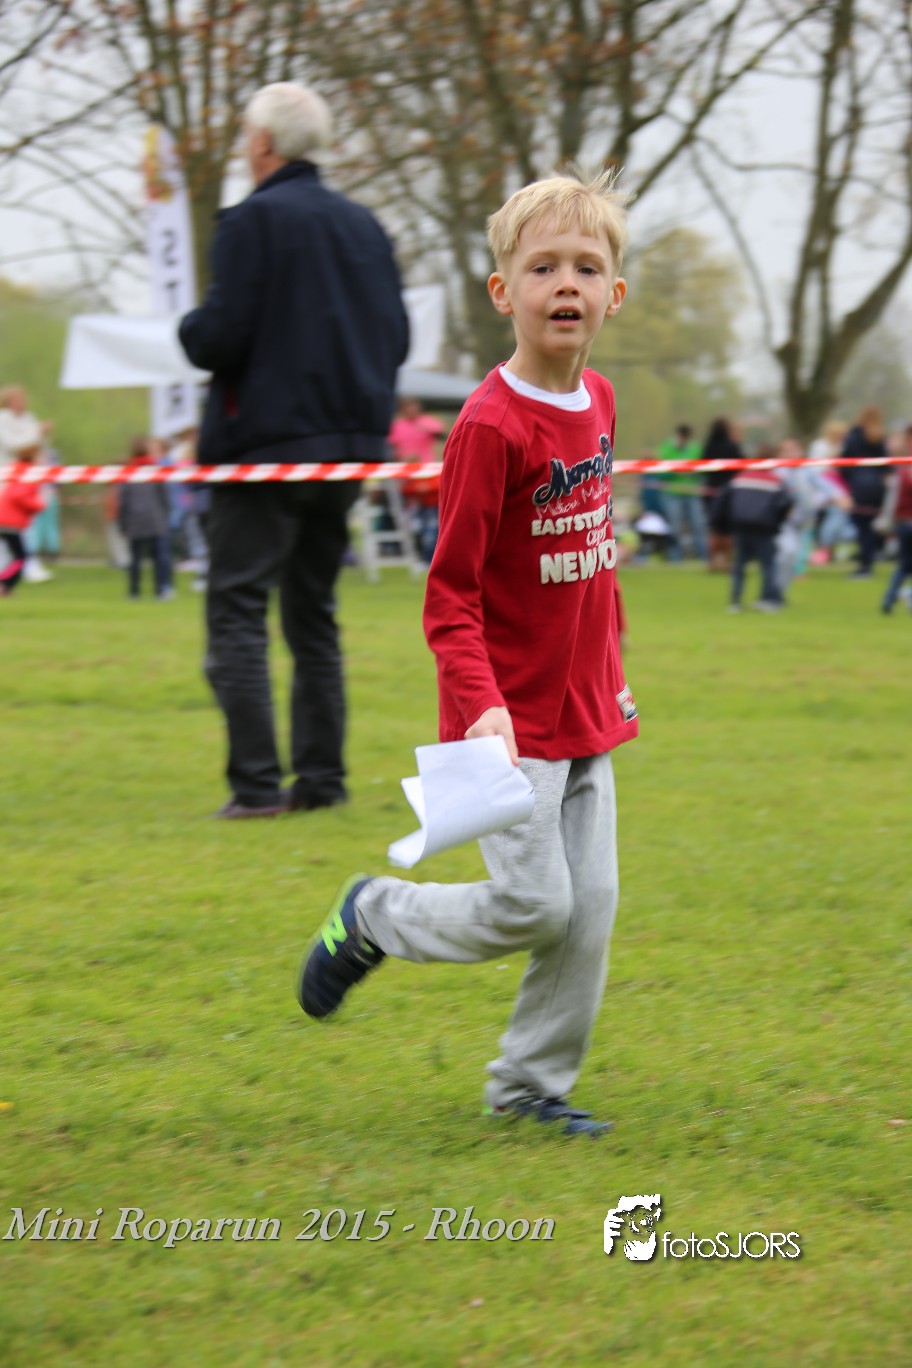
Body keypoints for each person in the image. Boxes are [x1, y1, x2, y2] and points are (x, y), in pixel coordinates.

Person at [298, 168, 637, 1138]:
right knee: (535, 907)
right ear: (503, 291)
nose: (565, 284)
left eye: (586, 267)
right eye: (543, 267)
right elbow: (450, 594)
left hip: (585, 710)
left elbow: (589, 560)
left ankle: (529, 1087)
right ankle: (374, 914)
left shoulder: (600, 400)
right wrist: (481, 702)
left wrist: (611, 671)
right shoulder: (490, 427)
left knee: (591, 907)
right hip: (504, 724)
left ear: (614, 293)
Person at [179, 82, 410, 819]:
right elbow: (397, 337)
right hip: (347, 450)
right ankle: (321, 781)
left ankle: (254, 787)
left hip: (264, 450)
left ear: (262, 143)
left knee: (238, 612)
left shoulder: (252, 221)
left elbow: (219, 337)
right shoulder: (366, 227)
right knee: (314, 616)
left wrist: (190, 327)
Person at [711, 446, 793, 611]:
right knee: (768, 564)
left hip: (741, 526)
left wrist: (720, 525)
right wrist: (776, 524)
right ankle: (769, 599)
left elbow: (723, 499)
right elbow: (786, 503)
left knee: (739, 565)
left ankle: (735, 601)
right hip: (764, 527)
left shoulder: (740, 477)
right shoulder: (775, 481)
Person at [0, 385, 55, 582]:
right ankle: (16, 568)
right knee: (8, 528)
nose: (22, 402)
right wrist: (37, 432)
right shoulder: (3, 419)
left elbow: (38, 446)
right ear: (8, 401)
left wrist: (42, 435)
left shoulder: (29, 418)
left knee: (25, 526)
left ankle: (27, 565)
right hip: (8, 478)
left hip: (27, 476)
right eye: (17, 399)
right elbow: (13, 445)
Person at [388, 397, 445, 563]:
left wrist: (427, 429)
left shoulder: (428, 421)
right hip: (405, 478)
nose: (412, 410)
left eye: (415, 407)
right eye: (408, 407)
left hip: (428, 477)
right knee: (411, 517)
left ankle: (429, 553)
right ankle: (414, 551)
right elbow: (390, 449)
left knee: (432, 517)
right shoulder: (397, 426)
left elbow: (442, 436)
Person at [117, 437, 174, 600]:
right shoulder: (156, 470)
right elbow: (164, 497)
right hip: (156, 520)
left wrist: (123, 524)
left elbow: (123, 501)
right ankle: (161, 589)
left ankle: (134, 591)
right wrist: (165, 516)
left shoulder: (128, 471)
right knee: (160, 558)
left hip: (135, 520)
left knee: (135, 559)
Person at [841, 405, 888, 577]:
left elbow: (844, 461)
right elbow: (887, 464)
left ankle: (865, 566)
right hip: (876, 486)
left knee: (863, 528)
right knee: (870, 526)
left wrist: (848, 480)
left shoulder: (854, 435)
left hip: (860, 486)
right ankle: (869, 560)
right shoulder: (879, 436)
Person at [655, 424, 707, 561]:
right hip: (672, 494)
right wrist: (676, 471)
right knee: (674, 528)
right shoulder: (666, 449)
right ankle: (675, 558)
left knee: (698, 525)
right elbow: (659, 473)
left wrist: (694, 473)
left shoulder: (696, 449)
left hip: (692, 493)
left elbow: (703, 472)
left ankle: (703, 557)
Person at [0, 450, 47, 597]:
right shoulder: (28, 474)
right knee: (20, 558)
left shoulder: (17, 470)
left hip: (6, 520)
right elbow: (18, 495)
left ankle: (4, 585)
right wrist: (38, 505)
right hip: (10, 522)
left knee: (14, 556)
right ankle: (4, 584)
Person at [700, 417, 743, 571]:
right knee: (728, 531)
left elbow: (702, 467)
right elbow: (741, 465)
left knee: (714, 529)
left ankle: (712, 562)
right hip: (729, 493)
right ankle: (726, 561)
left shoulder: (708, 446)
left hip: (711, 492)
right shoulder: (732, 446)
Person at [880, 428, 912, 614]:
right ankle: (903, 595)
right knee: (904, 565)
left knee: (904, 565)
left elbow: (891, 502)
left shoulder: (900, 473)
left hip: (903, 523)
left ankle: (890, 599)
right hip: (905, 523)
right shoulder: (902, 473)